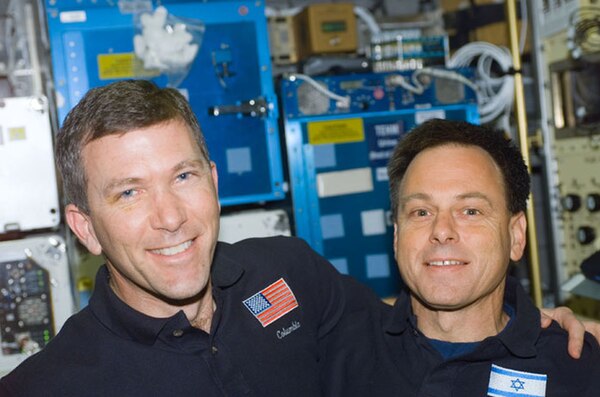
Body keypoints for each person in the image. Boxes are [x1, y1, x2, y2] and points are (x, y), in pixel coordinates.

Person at [0, 82, 595, 396]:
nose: (170, 217)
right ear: (84, 229)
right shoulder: (50, 386)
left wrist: (535, 326)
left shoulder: (286, 275)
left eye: (182, 177)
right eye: (128, 193)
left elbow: (417, 317)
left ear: (212, 182)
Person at [324, 118, 600, 396]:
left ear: (516, 236)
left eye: (470, 211)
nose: (442, 231)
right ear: (396, 238)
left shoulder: (578, 368)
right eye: (421, 212)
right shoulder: (333, 353)